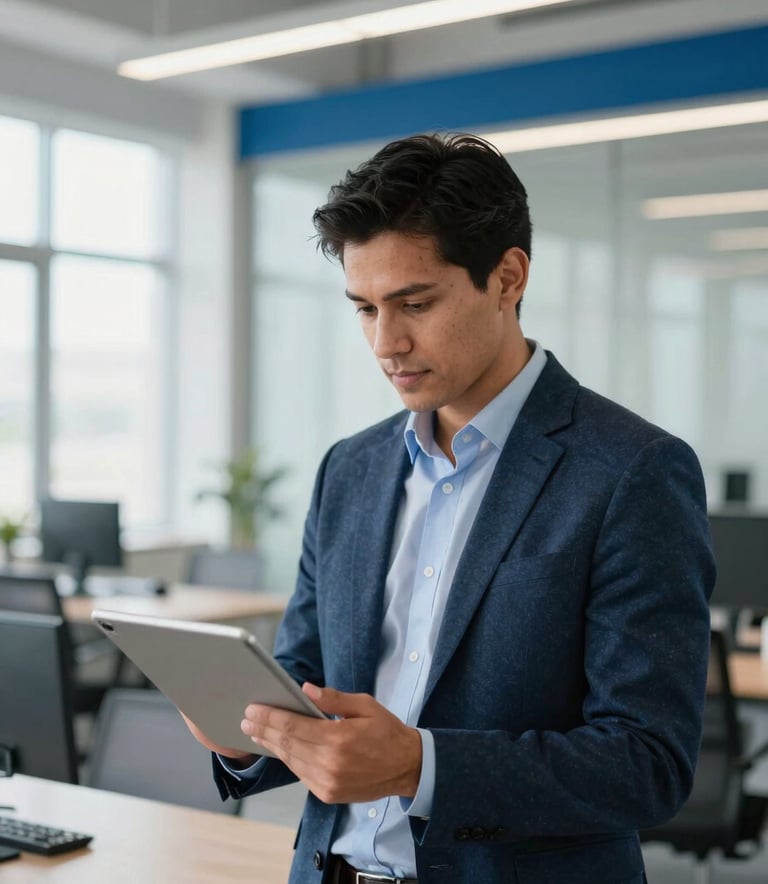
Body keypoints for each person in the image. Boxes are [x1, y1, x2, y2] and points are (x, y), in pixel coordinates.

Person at [186, 133, 715, 884]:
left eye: (415, 303)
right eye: (364, 308)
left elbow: (647, 763)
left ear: (507, 277)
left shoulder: (632, 472)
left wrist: (421, 766)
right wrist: (245, 734)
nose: (385, 342)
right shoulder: (350, 468)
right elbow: (306, 677)